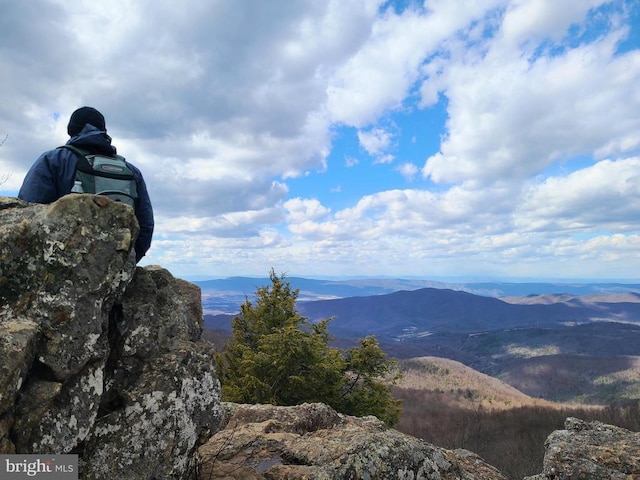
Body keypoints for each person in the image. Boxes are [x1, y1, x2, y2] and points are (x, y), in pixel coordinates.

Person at [18, 106, 154, 262]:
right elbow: (146, 225)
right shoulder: (131, 171)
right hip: (115, 268)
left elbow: (28, 213)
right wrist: (125, 264)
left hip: (62, 266)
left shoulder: (53, 160)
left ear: (72, 130)